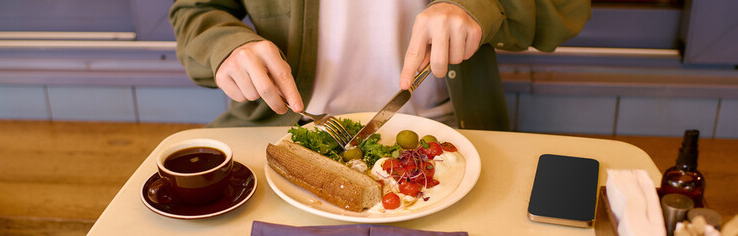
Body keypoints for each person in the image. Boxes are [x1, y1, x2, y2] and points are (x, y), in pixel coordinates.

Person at [169, 0, 590, 129]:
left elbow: (565, 8)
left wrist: (483, 5)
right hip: (283, 134)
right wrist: (225, 46)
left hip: (452, 133)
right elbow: (195, 9)